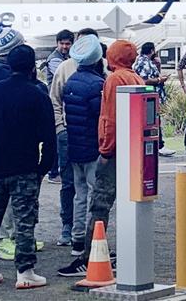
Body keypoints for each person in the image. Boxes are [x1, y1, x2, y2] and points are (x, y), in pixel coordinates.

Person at [58, 39, 143, 277]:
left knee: (99, 204)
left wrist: (105, 151)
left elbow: (108, 119)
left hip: (113, 152)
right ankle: (121, 250)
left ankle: (89, 256)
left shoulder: (114, 79)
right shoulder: (136, 77)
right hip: (132, 150)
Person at [0, 45, 56, 289]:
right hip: (25, 167)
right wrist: (44, 167)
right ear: (33, 66)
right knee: (24, 221)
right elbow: (48, 137)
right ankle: (25, 272)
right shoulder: (37, 94)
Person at [49, 28, 100, 248]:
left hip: (86, 138)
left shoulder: (102, 68)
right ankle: (69, 229)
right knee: (71, 184)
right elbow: (54, 100)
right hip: (73, 136)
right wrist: (60, 128)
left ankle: (81, 235)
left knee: (83, 188)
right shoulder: (65, 68)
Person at [62, 35, 104, 257]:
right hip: (92, 148)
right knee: (95, 196)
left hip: (74, 146)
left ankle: (77, 239)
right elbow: (101, 117)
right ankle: (91, 241)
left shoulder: (71, 81)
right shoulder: (96, 84)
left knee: (79, 195)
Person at [134, 42, 175, 156]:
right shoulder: (144, 62)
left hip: (150, 97)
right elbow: (144, 80)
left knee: (154, 120)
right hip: (149, 97)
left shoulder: (143, 61)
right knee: (154, 120)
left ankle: (158, 144)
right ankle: (159, 145)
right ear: (152, 50)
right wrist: (159, 80)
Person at [44, 30, 75, 184]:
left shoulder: (66, 58)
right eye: (61, 43)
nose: (64, 46)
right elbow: (66, 78)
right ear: (57, 43)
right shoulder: (55, 60)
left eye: (67, 44)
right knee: (57, 140)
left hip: (64, 104)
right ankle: (54, 172)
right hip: (55, 104)